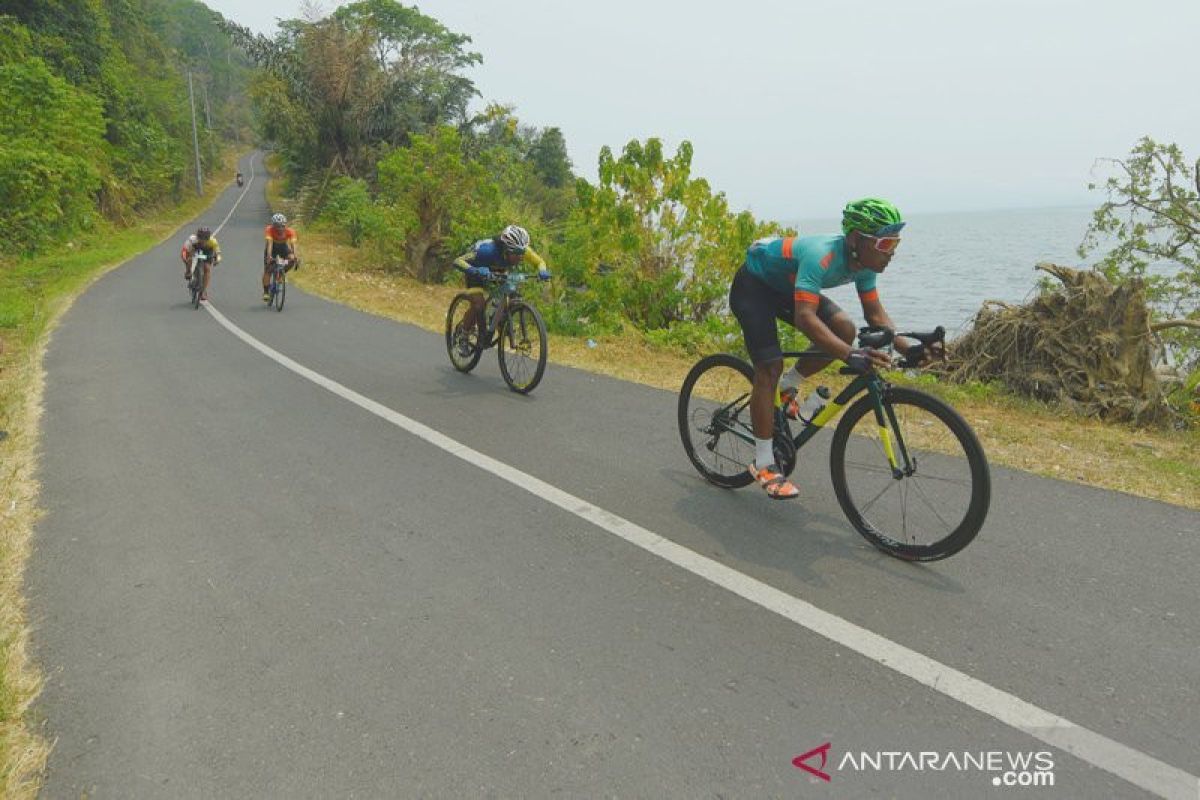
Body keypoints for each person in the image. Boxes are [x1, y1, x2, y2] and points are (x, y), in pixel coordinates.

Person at [729, 197, 934, 499]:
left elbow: (875, 316)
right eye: (884, 244)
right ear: (855, 239)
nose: (891, 252)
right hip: (754, 288)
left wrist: (909, 349)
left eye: (895, 243)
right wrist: (850, 354)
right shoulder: (821, 256)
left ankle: (789, 386)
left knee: (845, 330)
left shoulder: (865, 264)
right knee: (768, 367)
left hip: (788, 287)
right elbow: (806, 318)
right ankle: (763, 462)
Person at [452, 225, 550, 331]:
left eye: (522, 253)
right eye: (516, 253)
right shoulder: (486, 251)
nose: (521, 257)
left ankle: (498, 323)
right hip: (476, 270)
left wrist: (542, 270)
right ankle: (464, 333)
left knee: (508, 294)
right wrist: (475, 271)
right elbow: (457, 261)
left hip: (497, 270)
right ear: (506, 249)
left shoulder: (521, 249)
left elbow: (539, 262)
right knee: (479, 305)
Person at [263, 213, 298, 302]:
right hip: (272, 248)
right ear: (273, 225)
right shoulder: (269, 230)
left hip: (283, 247)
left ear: (285, 225)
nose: (280, 228)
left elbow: (293, 245)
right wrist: (269, 257)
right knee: (268, 270)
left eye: (282, 226)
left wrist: (295, 257)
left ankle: (281, 274)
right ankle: (266, 292)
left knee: (291, 259)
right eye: (277, 226)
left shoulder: (290, 231)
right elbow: (270, 244)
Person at [180, 226, 221, 302]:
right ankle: (188, 271)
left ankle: (203, 291)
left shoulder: (213, 241)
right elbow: (184, 252)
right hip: (194, 248)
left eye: (205, 239)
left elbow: (218, 253)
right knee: (189, 258)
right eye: (201, 238)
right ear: (197, 237)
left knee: (207, 268)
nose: (203, 241)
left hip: (207, 250)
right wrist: (186, 260)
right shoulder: (192, 240)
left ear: (208, 238)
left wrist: (217, 259)